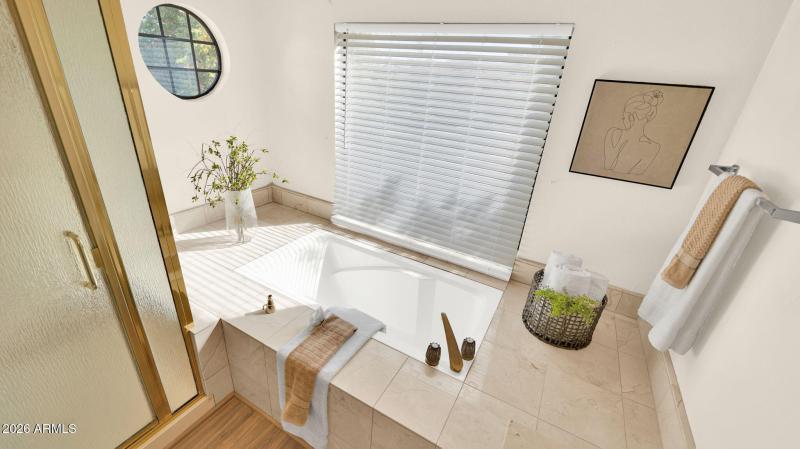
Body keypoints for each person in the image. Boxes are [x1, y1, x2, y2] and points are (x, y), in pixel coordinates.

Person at [604, 90, 664, 174]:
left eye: (624, 115)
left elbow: (608, 166)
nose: (623, 118)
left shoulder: (613, 132)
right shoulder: (654, 147)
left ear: (631, 117)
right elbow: (635, 174)